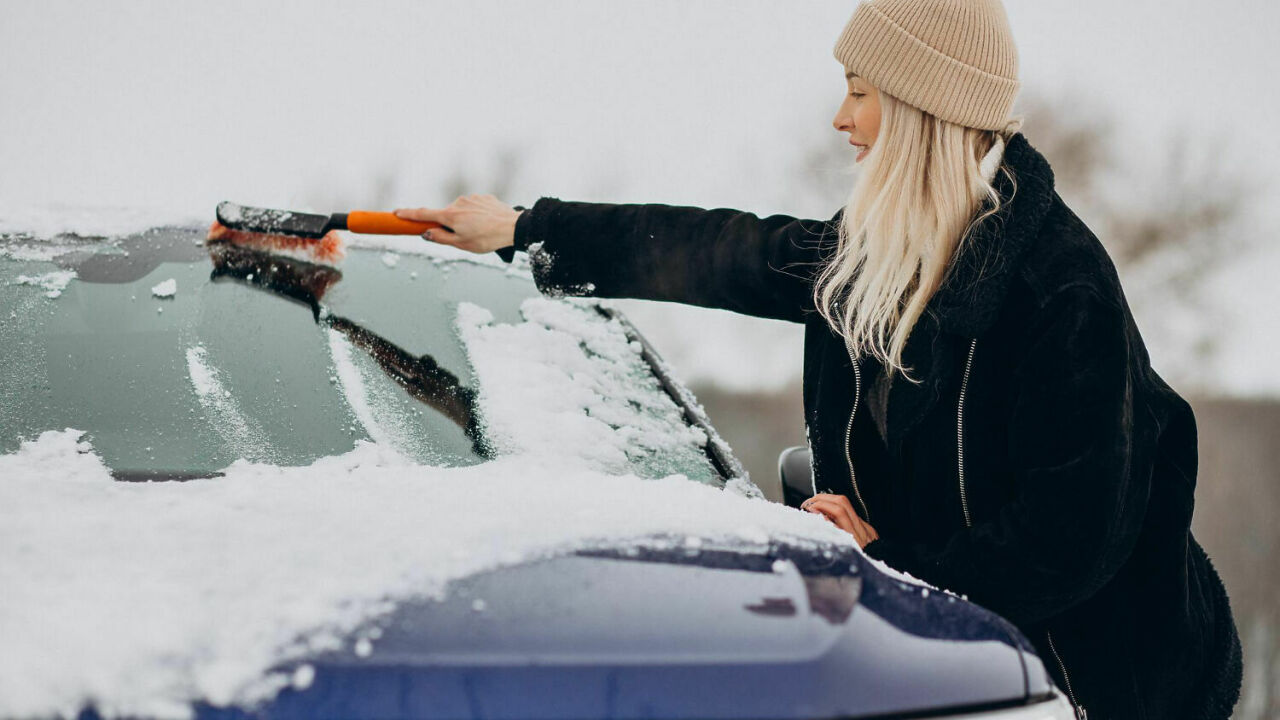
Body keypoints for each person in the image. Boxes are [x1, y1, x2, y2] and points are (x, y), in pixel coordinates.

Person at [393, 1, 1243, 717]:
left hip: (1109, 683)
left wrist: (887, 570)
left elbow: (1068, 538)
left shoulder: (1060, 290)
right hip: (959, 656)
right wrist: (525, 228)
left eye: (861, 93)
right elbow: (720, 251)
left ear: (919, 109)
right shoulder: (882, 253)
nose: (842, 119)